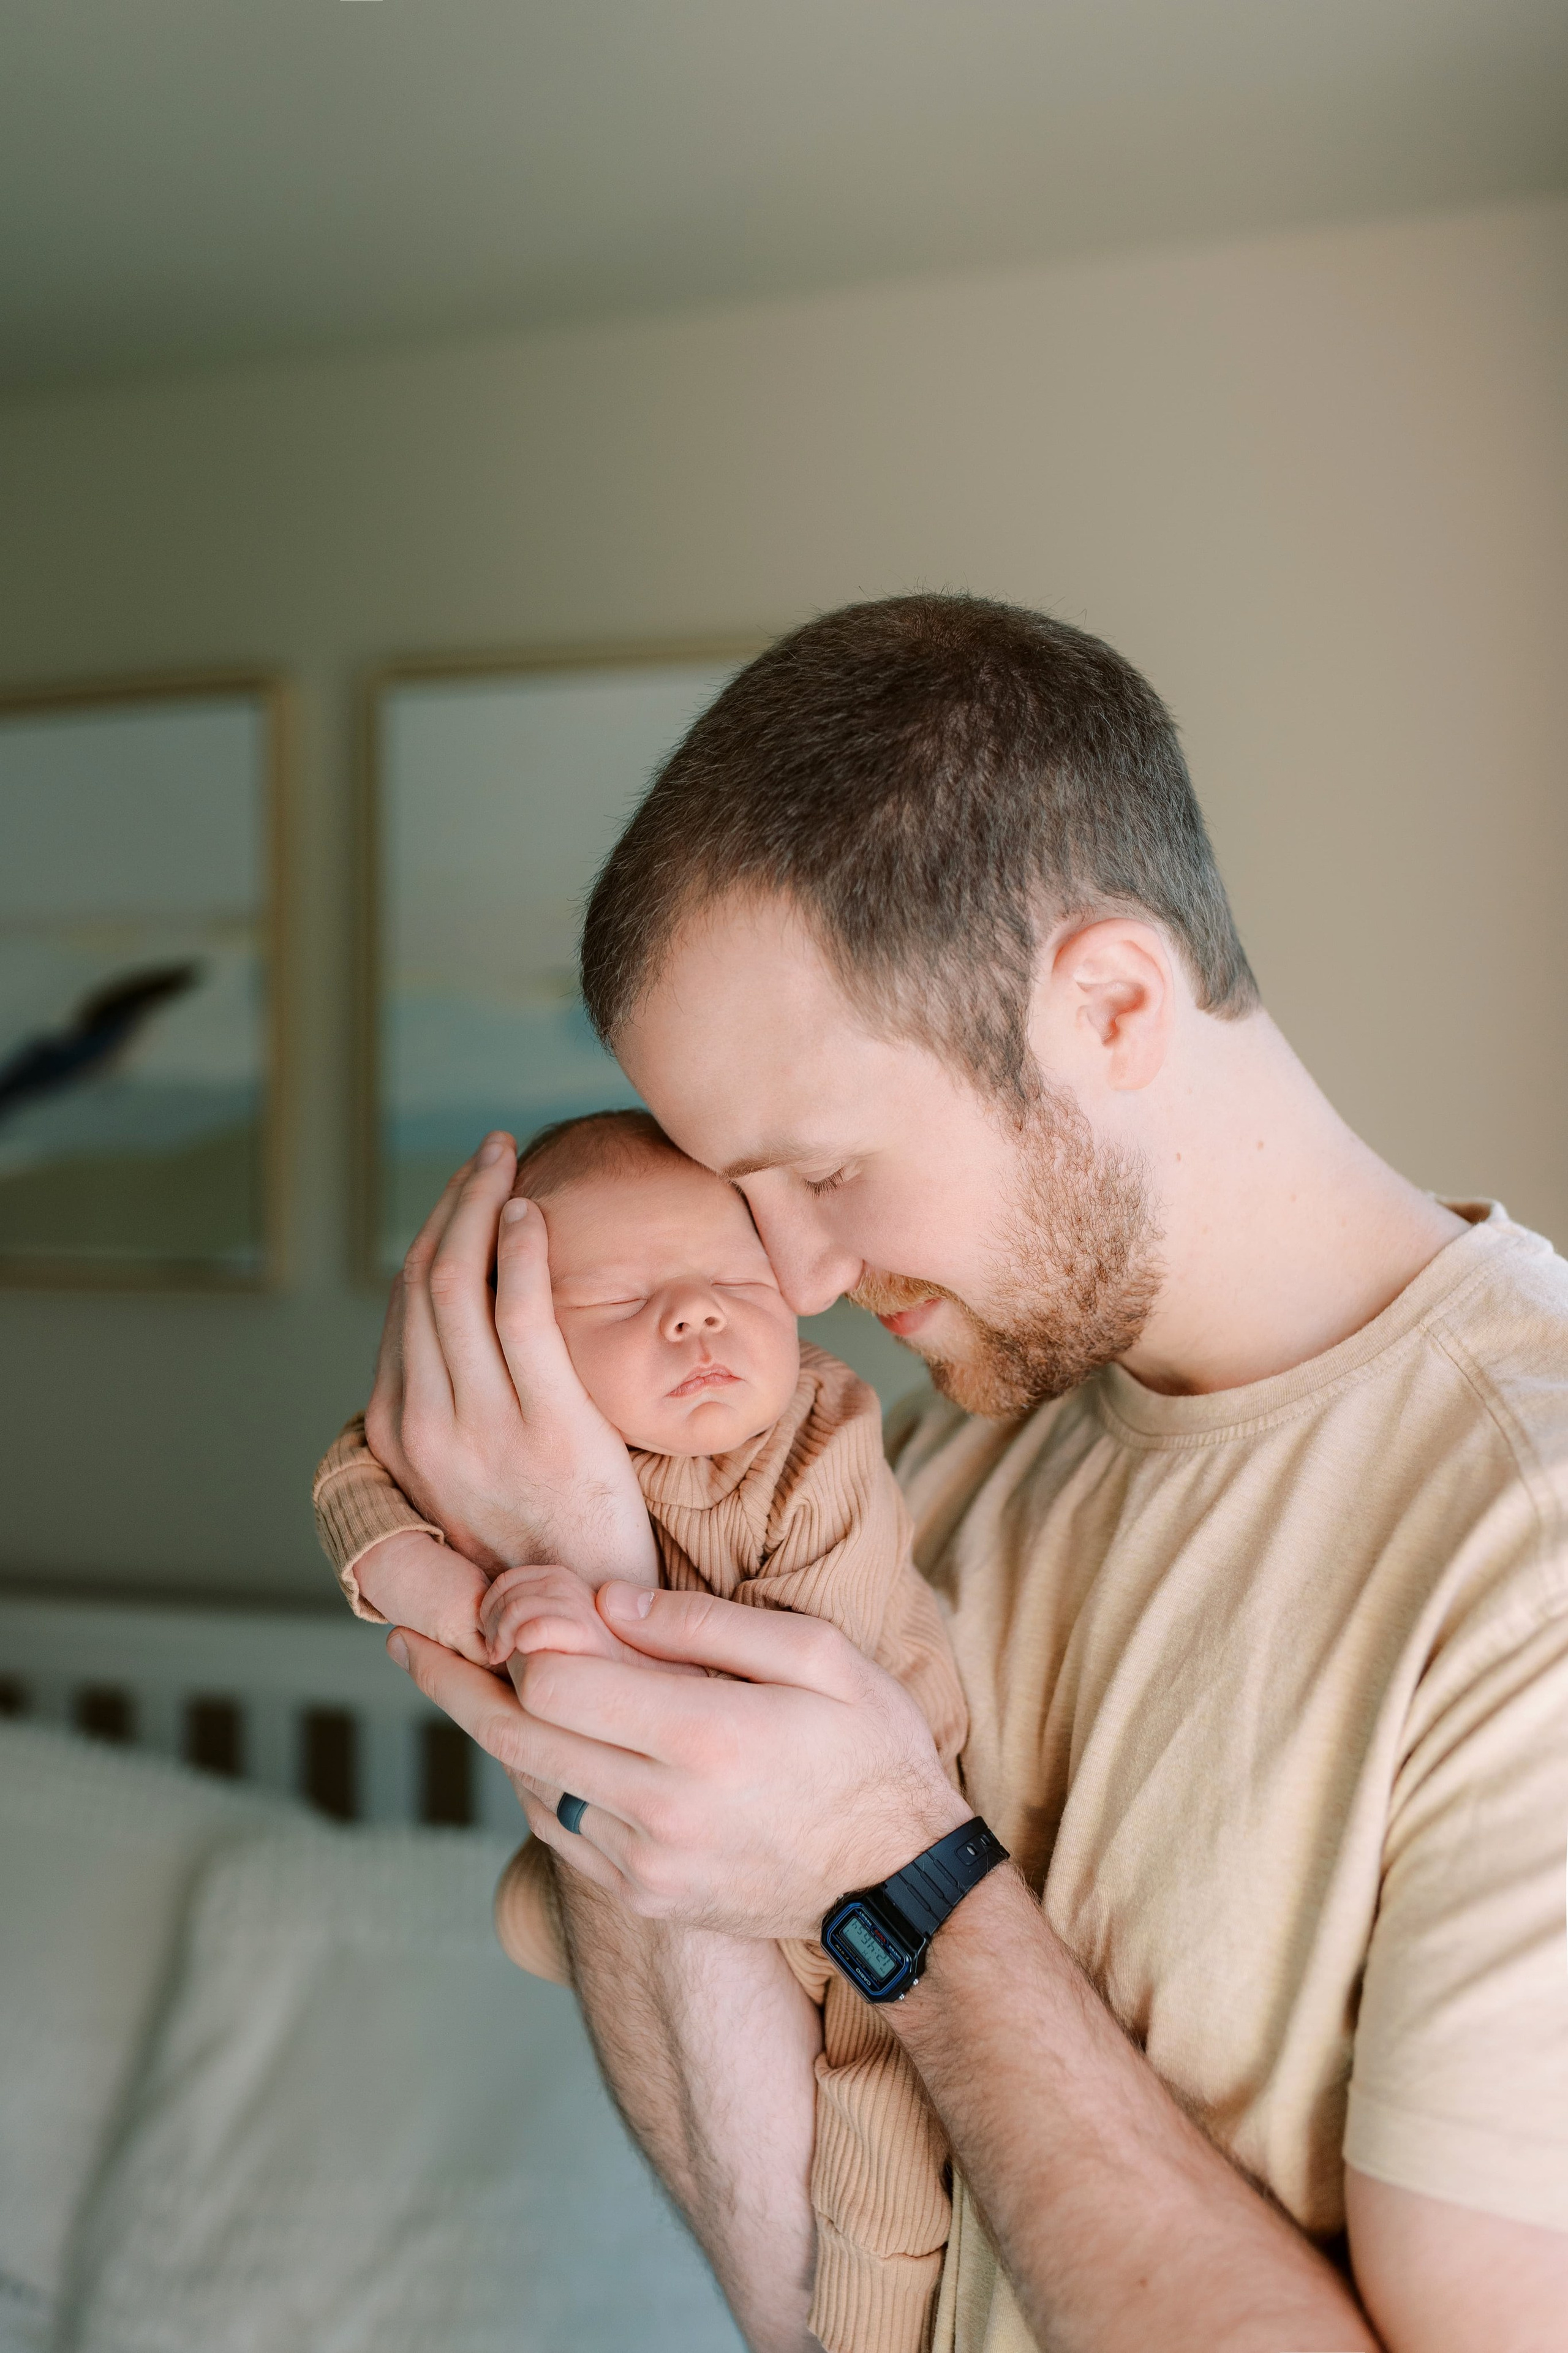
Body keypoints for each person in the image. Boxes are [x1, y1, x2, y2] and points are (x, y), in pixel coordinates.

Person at [355, 596, 1568, 2352]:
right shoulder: (918, 1463)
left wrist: (898, 1870)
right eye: (745, 1197)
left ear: (1112, 1002)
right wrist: (607, 1617)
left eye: (828, 1172)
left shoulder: (1524, 1549)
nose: (804, 1280)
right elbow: (813, 2300)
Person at [313, 1106, 967, 2351]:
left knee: (881, 2108)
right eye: (615, 1300)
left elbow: (790, 1738)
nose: (694, 1317)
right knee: (536, 1901)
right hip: (663, 1845)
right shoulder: (520, 1446)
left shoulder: (818, 1446)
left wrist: (577, 1581)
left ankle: (868, 2326)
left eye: (731, 1284)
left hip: (845, 1876)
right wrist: (422, 1578)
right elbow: (357, 1471)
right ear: (513, 1348)